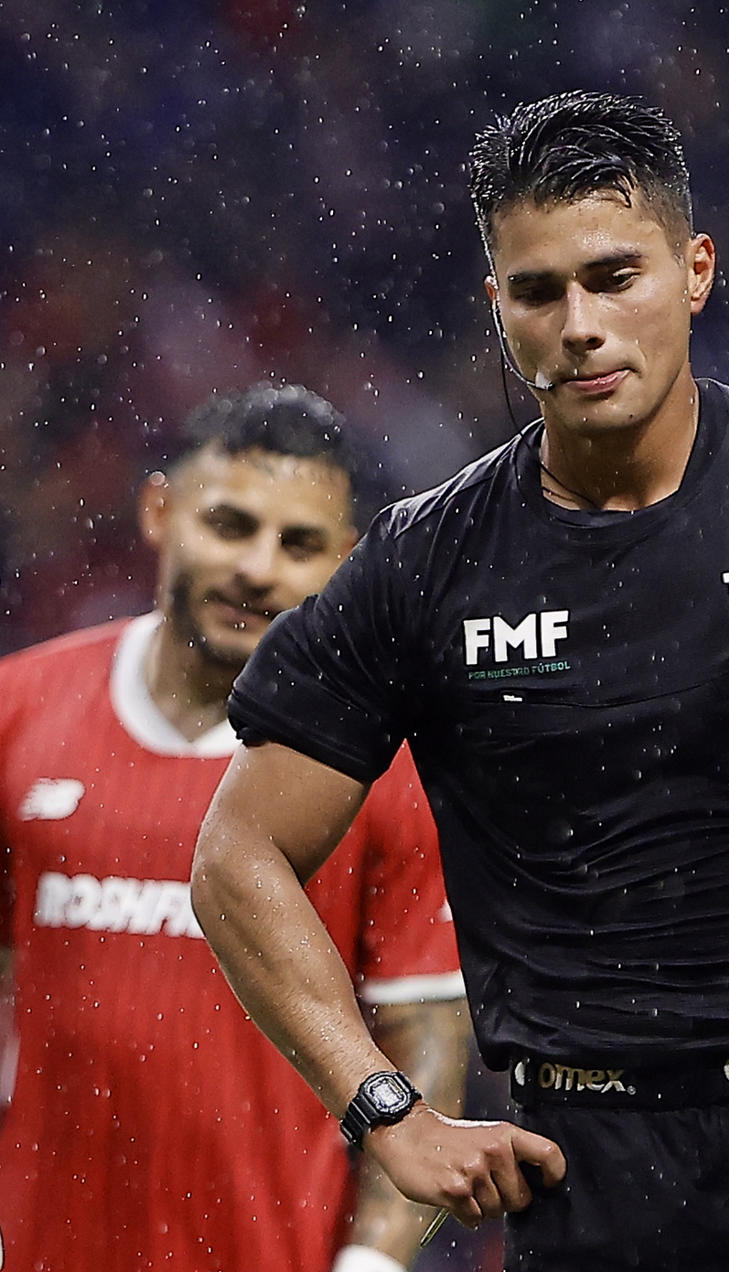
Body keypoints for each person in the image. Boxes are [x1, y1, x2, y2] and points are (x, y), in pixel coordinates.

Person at [190, 91, 729, 1271]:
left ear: (696, 271)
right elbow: (235, 857)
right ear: (497, 308)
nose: (578, 323)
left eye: (613, 276)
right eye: (537, 291)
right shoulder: (429, 565)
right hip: (597, 1173)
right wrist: (384, 1111)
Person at [0, 384, 465, 1272]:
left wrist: (375, 1262)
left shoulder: (385, 770)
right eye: (230, 524)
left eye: (297, 544)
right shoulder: (18, 713)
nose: (256, 568)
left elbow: (426, 1038)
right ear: (159, 510)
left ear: (347, 562)